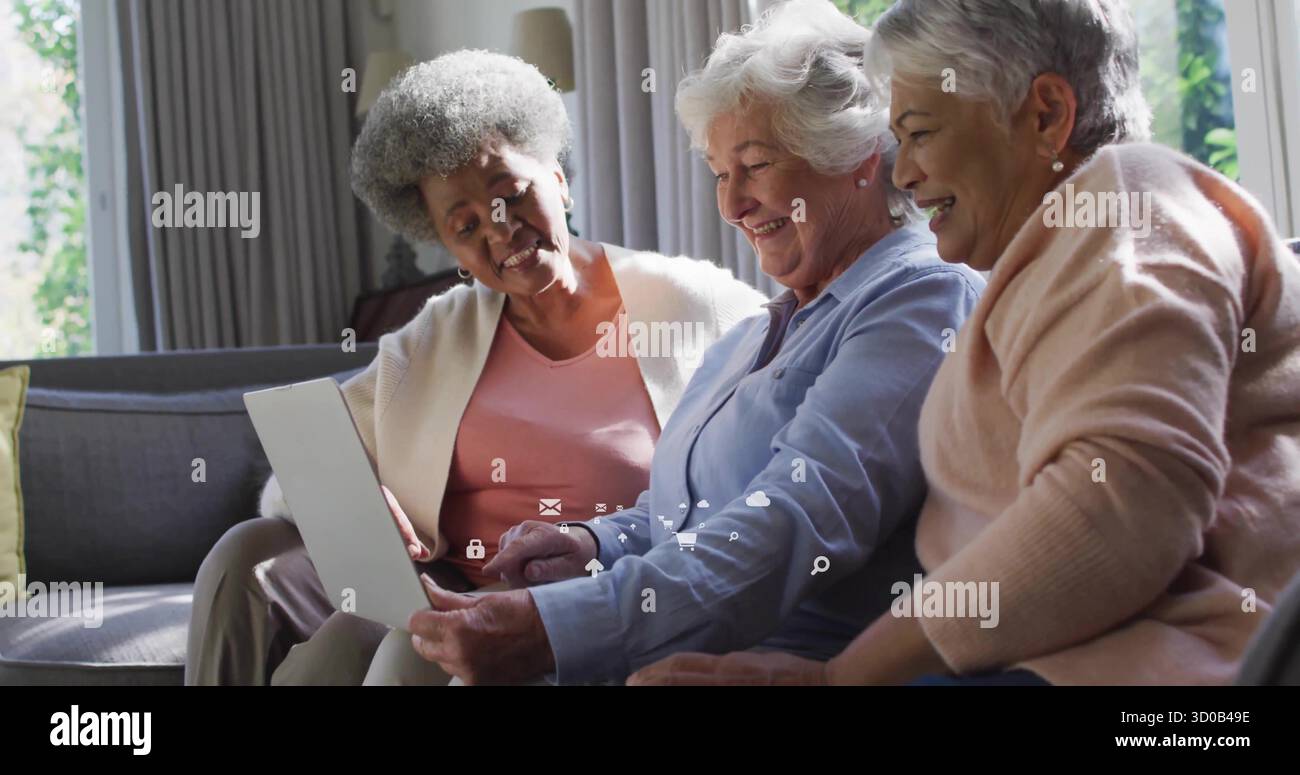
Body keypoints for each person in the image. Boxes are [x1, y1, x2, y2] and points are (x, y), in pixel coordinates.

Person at [630, 0, 1300, 686]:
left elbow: (1120, 509)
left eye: (920, 134)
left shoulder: (1131, 200)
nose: (905, 172)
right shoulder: (1040, 267)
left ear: (1045, 115)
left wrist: (841, 677)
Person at [375, 0, 984, 685]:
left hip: (781, 660)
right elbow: (682, 511)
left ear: (857, 156)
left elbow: (797, 520)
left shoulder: (918, 298)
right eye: (721, 173)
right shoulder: (757, 332)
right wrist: (589, 543)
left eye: (755, 164)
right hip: (666, 641)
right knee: (401, 653)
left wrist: (557, 628)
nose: (732, 205)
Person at [185, 49, 768, 685]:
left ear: (559, 178)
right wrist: (363, 500)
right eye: (464, 226)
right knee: (249, 558)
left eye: (512, 195)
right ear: (446, 244)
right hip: (446, 583)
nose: (500, 231)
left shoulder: (691, 303)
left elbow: (783, 432)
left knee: (406, 649)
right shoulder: (438, 336)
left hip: (601, 597)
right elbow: (303, 471)